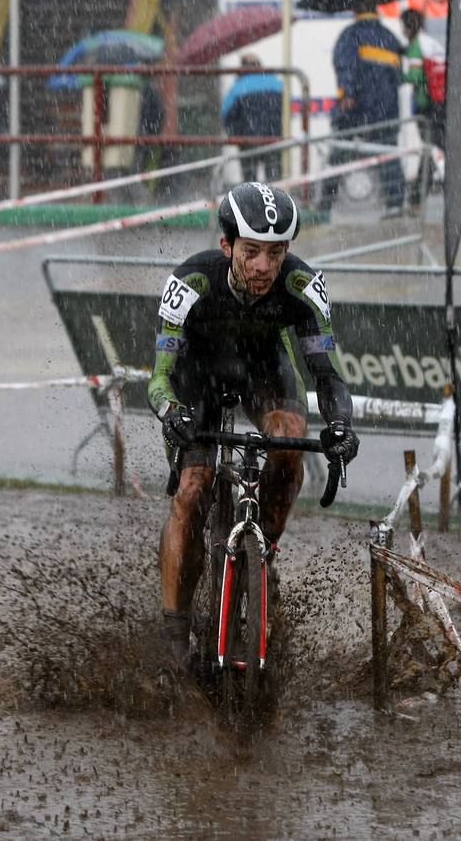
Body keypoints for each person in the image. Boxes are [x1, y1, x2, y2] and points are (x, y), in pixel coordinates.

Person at [149, 181, 360, 664]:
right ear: (227, 246)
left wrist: (341, 424)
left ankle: (261, 553)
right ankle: (173, 632)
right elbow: (158, 377)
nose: (265, 266)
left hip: (264, 370)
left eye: (276, 252)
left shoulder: (302, 284)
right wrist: (171, 412)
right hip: (196, 376)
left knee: (290, 439)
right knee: (193, 488)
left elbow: (327, 376)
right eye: (252, 252)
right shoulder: (191, 281)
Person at [316, 0, 404, 216]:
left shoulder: (351, 35)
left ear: (356, 10)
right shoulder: (390, 37)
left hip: (356, 111)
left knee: (339, 157)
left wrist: (348, 93)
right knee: (388, 156)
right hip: (386, 111)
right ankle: (395, 204)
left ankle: (325, 204)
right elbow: (398, 77)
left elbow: (345, 65)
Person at [400, 8, 446, 212]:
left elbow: (416, 76)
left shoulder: (416, 46)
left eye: (403, 26)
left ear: (408, 26)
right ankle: (418, 198)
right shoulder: (430, 43)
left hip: (427, 107)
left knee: (431, 152)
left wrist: (398, 76)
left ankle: (417, 199)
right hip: (441, 105)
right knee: (435, 152)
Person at [222, 53, 284, 183]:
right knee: (274, 178)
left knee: (250, 178)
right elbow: (286, 108)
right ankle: (276, 200)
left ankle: (251, 202)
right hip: (273, 137)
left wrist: (234, 135)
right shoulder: (276, 83)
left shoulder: (238, 87)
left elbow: (226, 114)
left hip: (248, 139)